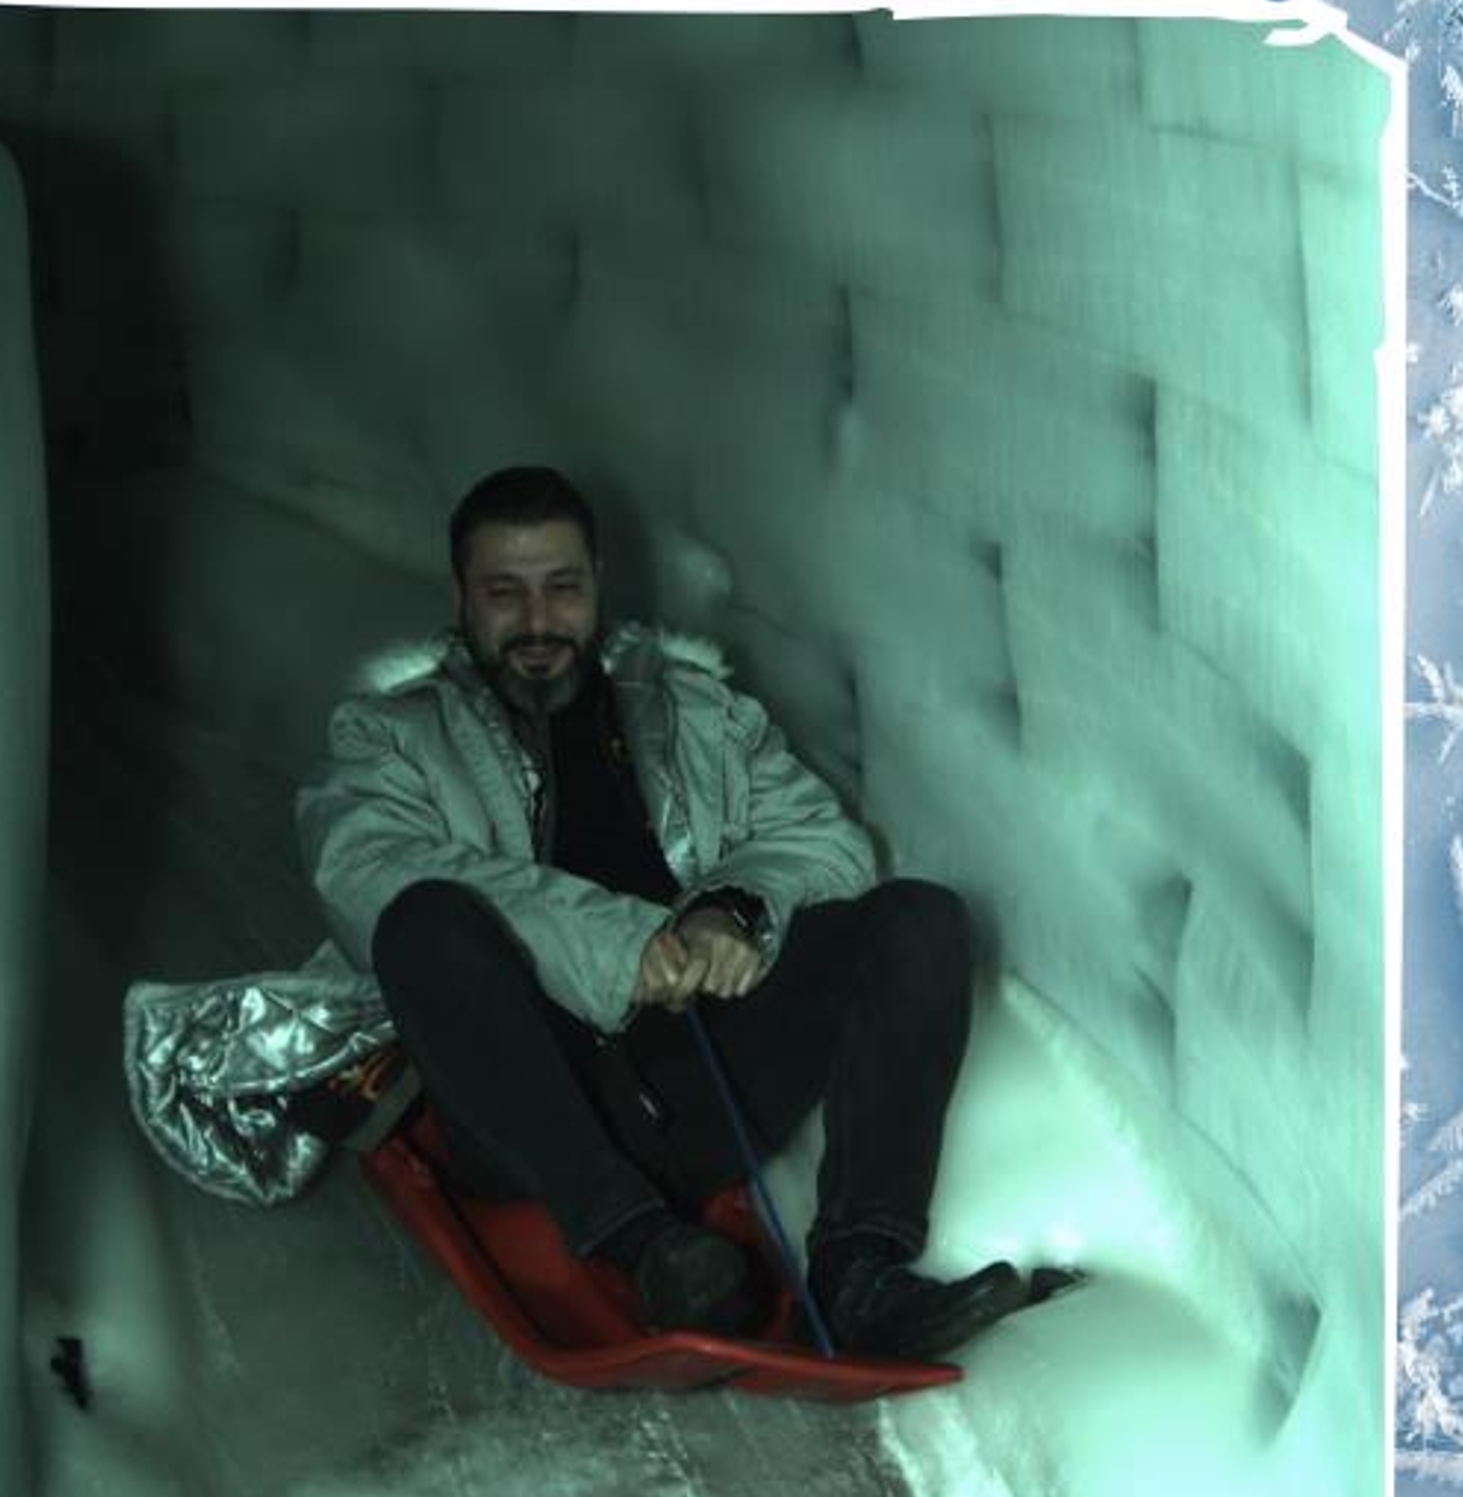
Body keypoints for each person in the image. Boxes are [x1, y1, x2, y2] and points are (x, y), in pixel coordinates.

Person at [295, 465, 1016, 1356]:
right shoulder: (394, 735)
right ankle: (645, 1249)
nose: (537, 620)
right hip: (532, 1107)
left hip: (702, 1080)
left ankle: (858, 1269)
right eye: (505, 592)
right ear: (460, 597)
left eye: (562, 588)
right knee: (423, 922)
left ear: (597, 583)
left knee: (918, 921)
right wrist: (619, 946)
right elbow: (363, 870)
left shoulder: (693, 712)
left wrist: (732, 910)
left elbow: (824, 843)